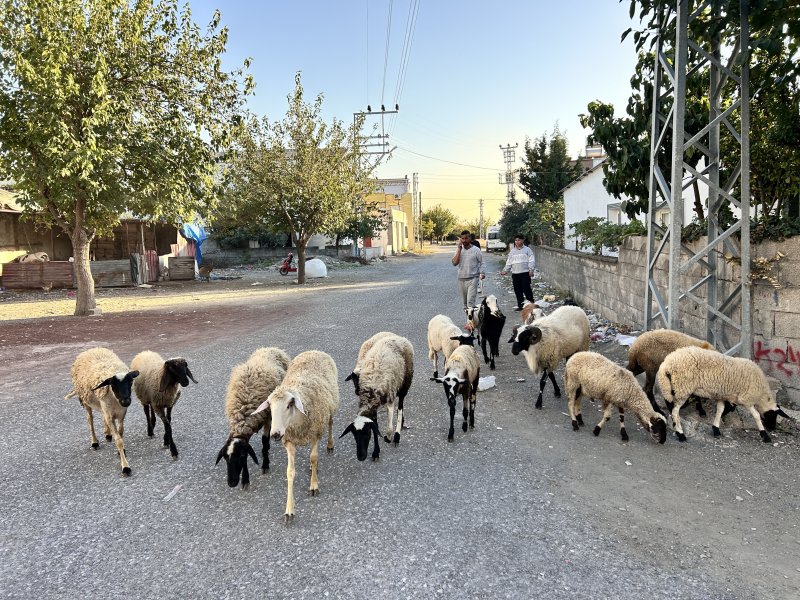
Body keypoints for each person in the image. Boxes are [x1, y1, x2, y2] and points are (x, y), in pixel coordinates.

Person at [452, 230, 485, 310]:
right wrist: (459, 249)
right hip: (461, 279)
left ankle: (472, 322)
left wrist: (482, 272)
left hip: (473, 279)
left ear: (470, 238)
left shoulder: (476, 250)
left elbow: (482, 262)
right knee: (465, 305)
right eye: (462, 239)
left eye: (466, 238)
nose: (464, 240)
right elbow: (454, 263)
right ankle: (470, 320)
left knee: (470, 303)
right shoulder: (459, 250)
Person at [501, 234, 535, 311]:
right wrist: (505, 270)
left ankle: (531, 305)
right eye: (516, 240)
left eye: (519, 240)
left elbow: (531, 260)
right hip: (515, 274)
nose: (517, 242)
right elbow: (509, 262)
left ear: (522, 240)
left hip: (525, 273)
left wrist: (531, 270)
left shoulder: (527, 250)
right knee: (518, 291)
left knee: (527, 290)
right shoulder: (512, 251)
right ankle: (520, 305)